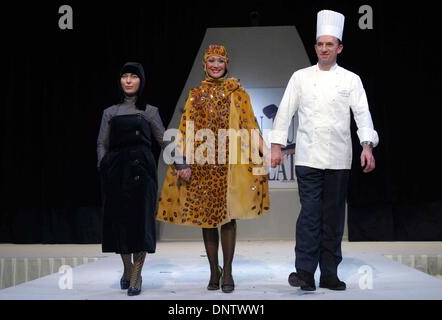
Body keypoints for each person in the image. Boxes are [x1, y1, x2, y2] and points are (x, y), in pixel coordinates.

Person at [270, 10, 379, 291]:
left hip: (339, 159)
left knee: (332, 218)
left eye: (329, 44)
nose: (324, 48)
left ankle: (329, 273)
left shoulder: (351, 80)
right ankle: (305, 272)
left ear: (339, 47)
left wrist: (367, 145)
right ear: (315, 47)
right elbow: (284, 112)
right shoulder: (300, 77)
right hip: (308, 157)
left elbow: (363, 114)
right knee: (309, 215)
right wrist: (276, 146)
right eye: (320, 44)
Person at [157, 44, 270, 293]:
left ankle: (227, 271)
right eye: (211, 61)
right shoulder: (195, 94)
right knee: (207, 220)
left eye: (220, 60)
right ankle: (213, 271)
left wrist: (266, 150)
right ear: (205, 65)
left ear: (226, 64)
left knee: (228, 218)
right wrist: (182, 162)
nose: (216, 65)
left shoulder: (237, 93)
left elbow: (251, 126)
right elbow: (185, 129)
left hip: (229, 165)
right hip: (203, 165)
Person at [97, 62, 181, 296]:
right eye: (125, 76)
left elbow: (164, 140)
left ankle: (136, 275)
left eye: (134, 76)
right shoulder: (110, 112)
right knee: (120, 224)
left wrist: (181, 163)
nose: (129, 80)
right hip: (116, 171)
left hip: (142, 171)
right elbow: (101, 143)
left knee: (140, 223)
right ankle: (127, 268)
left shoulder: (149, 111)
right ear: (120, 81)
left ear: (141, 81)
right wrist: (103, 165)